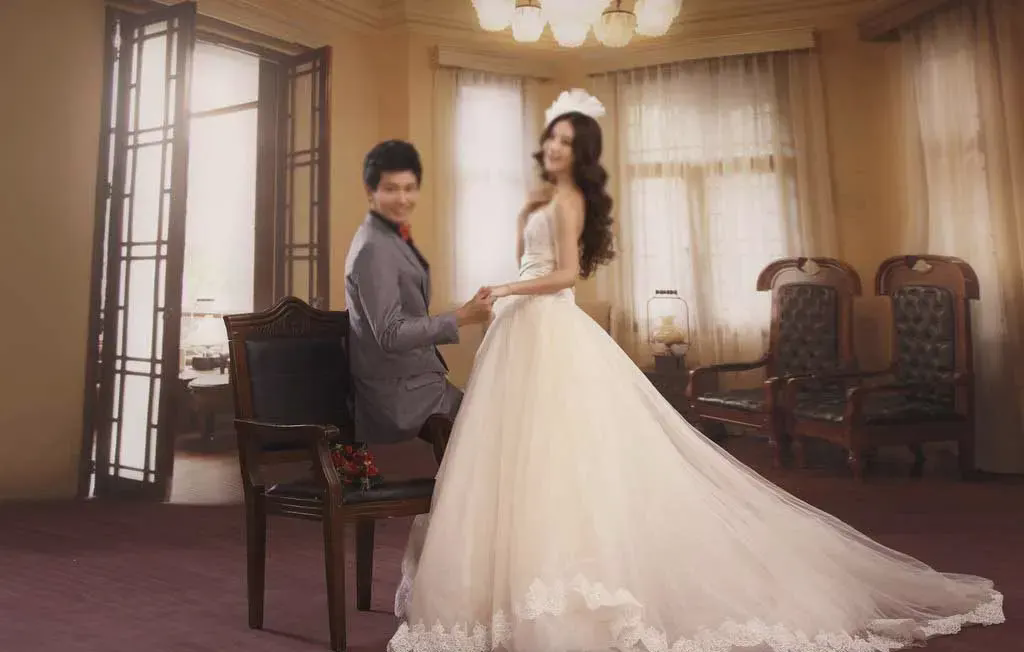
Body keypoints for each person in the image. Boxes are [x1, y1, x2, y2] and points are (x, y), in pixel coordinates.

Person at [386, 90, 1003, 652]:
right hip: (517, 330)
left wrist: (507, 288)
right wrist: (513, 274)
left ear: (581, 155)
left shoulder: (571, 200)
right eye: (552, 138)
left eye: (567, 142)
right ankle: (504, 581)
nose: (554, 147)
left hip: (547, 325)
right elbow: (533, 259)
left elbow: (568, 274)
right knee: (512, 452)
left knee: (562, 452)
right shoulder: (539, 200)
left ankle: (568, 581)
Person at [345, 140, 493, 460]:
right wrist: (462, 316)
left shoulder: (388, 236)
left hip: (414, 380)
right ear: (371, 191)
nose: (403, 199)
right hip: (398, 393)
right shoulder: (374, 249)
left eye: (410, 188)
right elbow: (389, 333)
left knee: (497, 411)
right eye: (391, 189)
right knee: (496, 423)